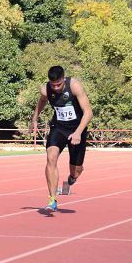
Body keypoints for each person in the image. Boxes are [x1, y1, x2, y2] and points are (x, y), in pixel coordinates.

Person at [31, 65, 93, 211]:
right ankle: (52, 199)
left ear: (63, 79)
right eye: (53, 85)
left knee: (76, 170)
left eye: (59, 84)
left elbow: (88, 112)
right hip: (58, 128)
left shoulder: (74, 86)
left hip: (77, 129)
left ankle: (74, 176)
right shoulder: (45, 89)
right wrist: (34, 118)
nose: (56, 88)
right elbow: (41, 101)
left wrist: (78, 132)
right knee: (50, 157)